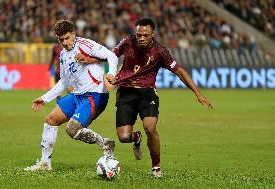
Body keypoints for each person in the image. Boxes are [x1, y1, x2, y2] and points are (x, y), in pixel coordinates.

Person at [81, 18, 213, 177]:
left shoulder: (160, 52)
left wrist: (197, 93)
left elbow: (179, 71)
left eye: (145, 35)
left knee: (150, 127)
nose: (141, 38)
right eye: (139, 35)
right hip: (125, 93)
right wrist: (92, 59)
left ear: (152, 34)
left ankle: (156, 166)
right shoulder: (127, 43)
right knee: (123, 137)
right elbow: (111, 55)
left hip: (147, 93)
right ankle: (136, 138)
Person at [24, 19, 118, 171]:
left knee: (72, 129)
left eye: (67, 38)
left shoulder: (85, 44)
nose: (65, 42)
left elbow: (112, 56)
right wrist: (44, 98)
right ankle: (44, 163)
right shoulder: (62, 55)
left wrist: (111, 73)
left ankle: (104, 143)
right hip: (77, 95)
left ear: (73, 34)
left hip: (95, 95)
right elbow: (63, 81)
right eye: (61, 39)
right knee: (50, 120)